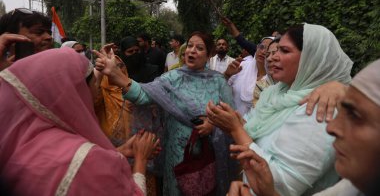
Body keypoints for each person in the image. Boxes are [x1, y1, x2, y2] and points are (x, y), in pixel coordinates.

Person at [207, 24, 353, 195]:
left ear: (310, 58)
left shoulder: (321, 107)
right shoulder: (275, 93)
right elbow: (262, 137)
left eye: (284, 51)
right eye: (271, 52)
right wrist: (237, 122)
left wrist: (236, 129)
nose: (272, 58)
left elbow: (279, 186)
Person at [0, 48, 159, 195]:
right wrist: (140, 159)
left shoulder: (26, 142)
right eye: (93, 83)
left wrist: (120, 151)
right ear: (73, 90)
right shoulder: (84, 158)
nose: (97, 89)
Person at [95, 31, 237, 196]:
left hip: (208, 157)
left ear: (209, 55)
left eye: (199, 48)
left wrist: (213, 124)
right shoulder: (172, 78)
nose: (192, 51)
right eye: (190, 45)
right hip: (176, 156)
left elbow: (232, 117)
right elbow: (143, 95)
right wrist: (116, 75)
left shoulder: (218, 81)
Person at [228, 59, 380, 196]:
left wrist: (237, 130)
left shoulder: (318, 108)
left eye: (355, 116)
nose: (331, 128)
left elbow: (286, 182)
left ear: (311, 59)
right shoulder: (352, 187)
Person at [225, 36, 274, 116]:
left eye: (268, 50)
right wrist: (227, 75)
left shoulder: (275, 79)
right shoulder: (242, 65)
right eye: (261, 47)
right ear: (257, 47)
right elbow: (221, 87)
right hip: (232, 120)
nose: (263, 52)